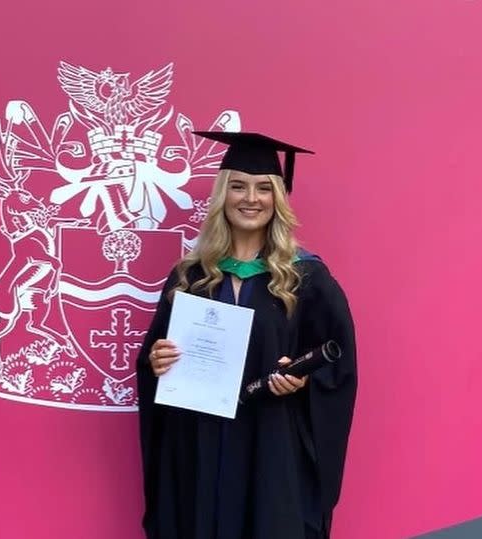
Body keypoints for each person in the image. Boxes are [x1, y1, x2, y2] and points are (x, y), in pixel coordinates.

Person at [135, 130, 358, 539]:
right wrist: (156, 360)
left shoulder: (305, 277)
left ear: (278, 199)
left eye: (262, 188)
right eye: (237, 186)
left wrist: (304, 380)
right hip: (199, 440)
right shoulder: (190, 276)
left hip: (270, 444)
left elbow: (338, 360)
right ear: (223, 196)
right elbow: (154, 358)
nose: (250, 198)